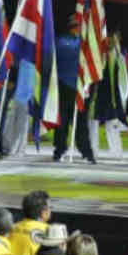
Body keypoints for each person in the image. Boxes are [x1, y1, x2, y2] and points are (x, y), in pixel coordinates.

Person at [53, 13, 96, 164]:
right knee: (62, 122)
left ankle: (86, 153)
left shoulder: (85, 45)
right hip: (64, 86)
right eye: (75, 26)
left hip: (80, 88)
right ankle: (59, 151)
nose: (77, 28)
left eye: (79, 26)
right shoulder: (61, 41)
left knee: (81, 123)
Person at [93, 29, 128, 159]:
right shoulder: (98, 53)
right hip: (98, 94)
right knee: (94, 123)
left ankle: (116, 152)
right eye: (109, 38)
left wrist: (123, 96)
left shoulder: (120, 55)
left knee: (112, 124)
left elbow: (124, 77)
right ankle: (93, 151)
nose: (111, 41)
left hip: (113, 95)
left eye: (114, 39)